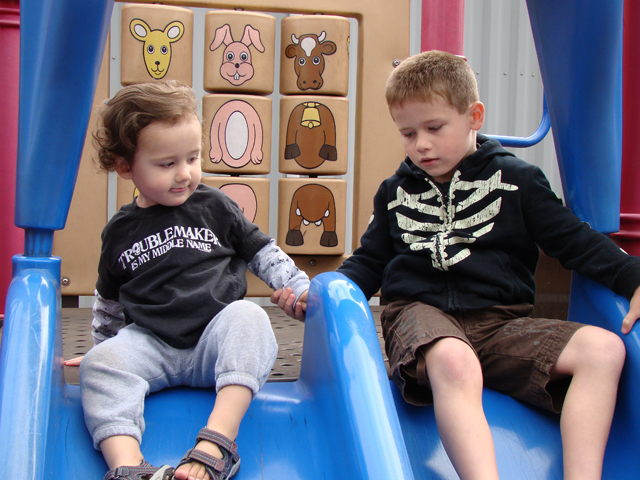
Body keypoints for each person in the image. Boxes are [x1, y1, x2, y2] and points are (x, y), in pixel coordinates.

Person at [293, 50, 640, 479]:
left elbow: (575, 241)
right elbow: (369, 262)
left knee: (605, 350)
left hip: (500, 326)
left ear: (474, 116)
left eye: (434, 128)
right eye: (408, 133)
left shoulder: (518, 181)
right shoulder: (394, 193)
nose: (421, 144)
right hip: (422, 319)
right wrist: (320, 297)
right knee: (455, 359)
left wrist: (632, 278)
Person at [80, 80, 309, 480]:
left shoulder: (214, 205)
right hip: (151, 343)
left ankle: (218, 441)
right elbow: (109, 301)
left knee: (250, 319)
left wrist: (298, 287)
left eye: (192, 158)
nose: (184, 174)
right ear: (125, 166)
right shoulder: (120, 231)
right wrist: (107, 350)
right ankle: (128, 465)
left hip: (214, 338)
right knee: (97, 365)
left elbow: (261, 250)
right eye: (166, 164)